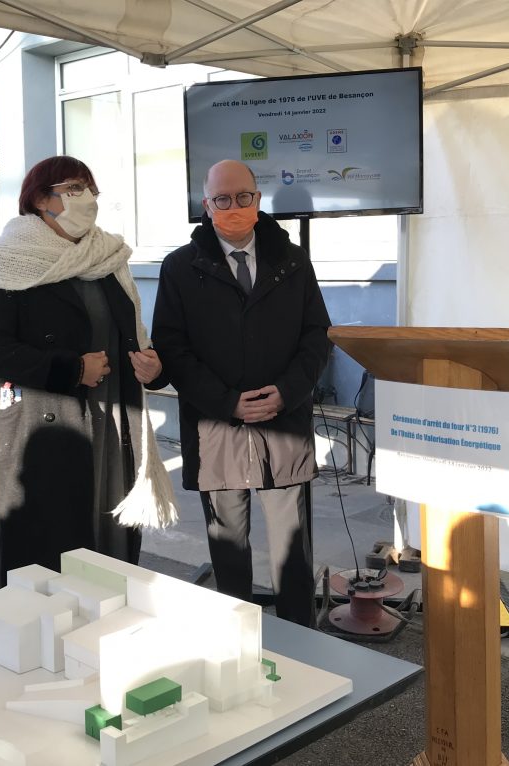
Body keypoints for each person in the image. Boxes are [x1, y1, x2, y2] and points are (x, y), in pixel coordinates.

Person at [0, 155, 177, 596]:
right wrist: (70, 369)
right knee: (50, 552)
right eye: (73, 188)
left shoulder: (107, 255)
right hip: (47, 424)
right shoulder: (11, 258)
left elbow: (131, 333)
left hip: (115, 421)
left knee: (109, 538)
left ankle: (104, 634)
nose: (88, 199)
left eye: (91, 189)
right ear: (40, 198)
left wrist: (154, 364)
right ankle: (46, 647)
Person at [152, 159, 332, 627]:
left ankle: (301, 645)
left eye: (243, 197)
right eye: (222, 200)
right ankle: (233, 643)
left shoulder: (292, 261)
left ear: (258, 199)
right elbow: (173, 348)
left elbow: (317, 336)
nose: (234, 208)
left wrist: (289, 391)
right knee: (229, 551)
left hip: (284, 424)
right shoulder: (179, 268)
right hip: (216, 427)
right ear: (206, 205)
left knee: (292, 552)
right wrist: (226, 400)